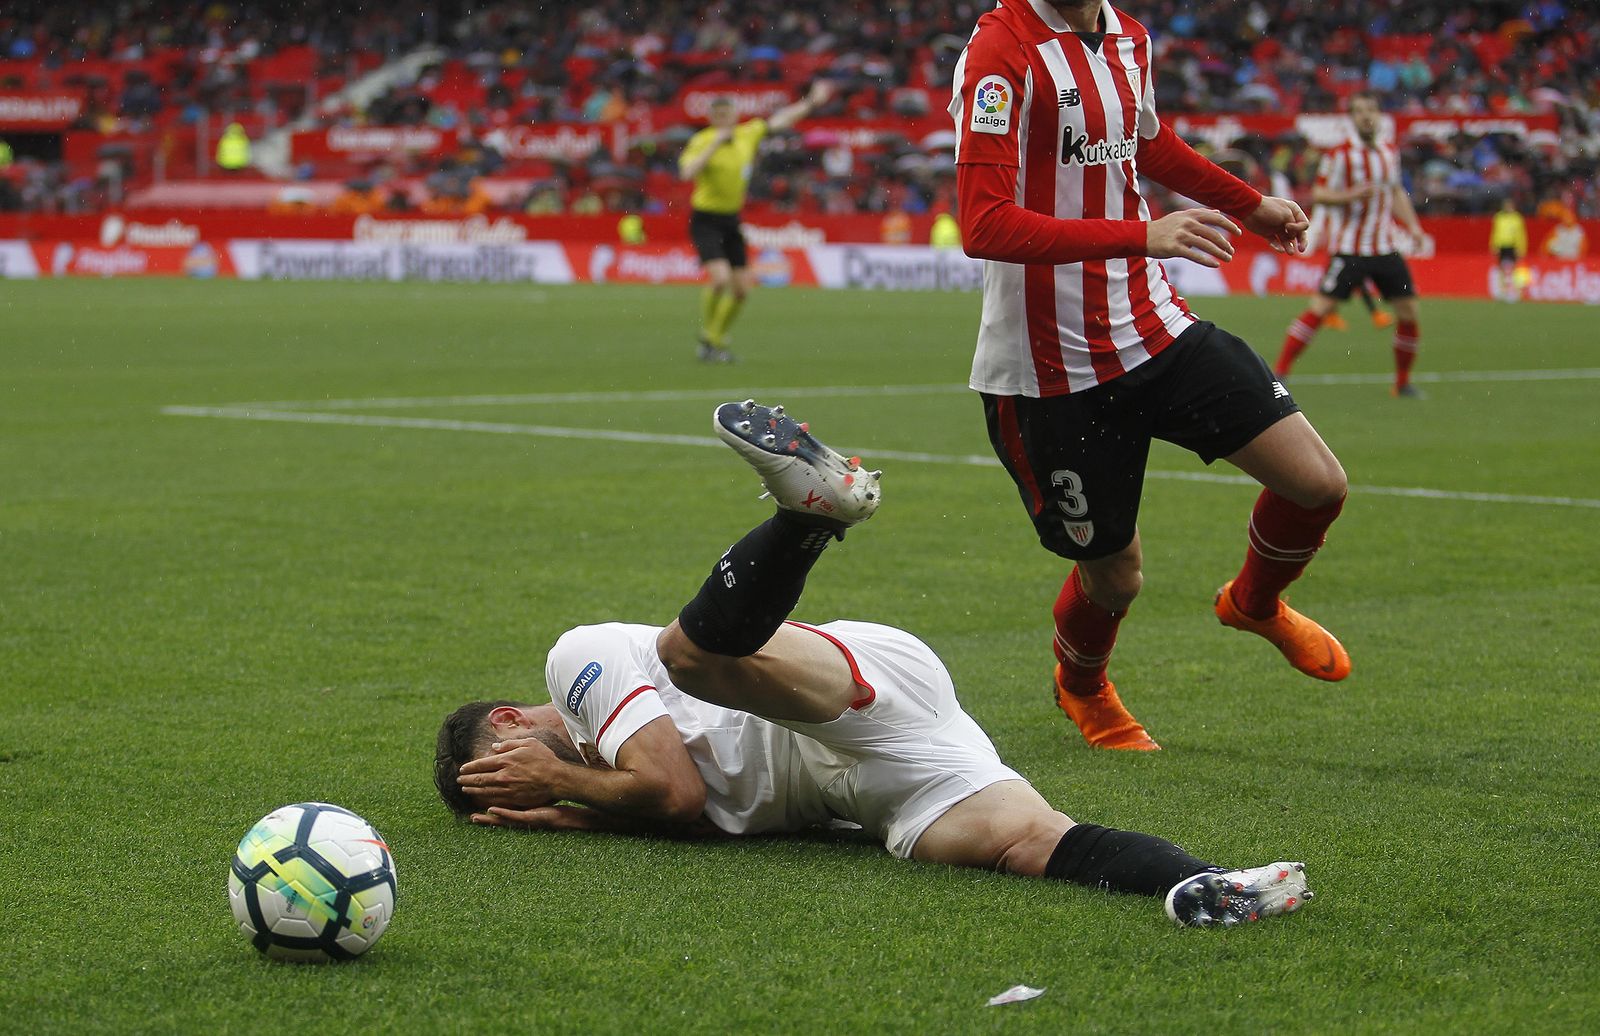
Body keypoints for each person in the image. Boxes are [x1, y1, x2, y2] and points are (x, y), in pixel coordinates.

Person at [436, 401, 1314, 928]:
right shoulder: (609, 784)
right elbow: (692, 815)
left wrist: (571, 784)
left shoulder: (578, 664)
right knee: (1024, 842)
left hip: (836, 689)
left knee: (691, 656)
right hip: (863, 779)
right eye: (508, 794)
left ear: (512, 723)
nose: (524, 788)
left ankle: (809, 516)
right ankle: (1209, 886)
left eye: (503, 772)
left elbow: (677, 788)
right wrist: (579, 812)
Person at [947, 0, 1350, 751]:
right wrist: (1144, 232)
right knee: (1117, 577)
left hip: (1153, 325)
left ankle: (1254, 603)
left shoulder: (1129, 36)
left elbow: (1147, 143)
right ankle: (1083, 684)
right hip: (1050, 368)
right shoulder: (1001, 52)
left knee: (1318, 483)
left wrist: (1252, 204)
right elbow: (984, 224)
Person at [1276, 92, 1427, 397]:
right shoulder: (1339, 156)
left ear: (1379, 115)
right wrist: (1351, 195)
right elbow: (1319, 194)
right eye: (1360, 112)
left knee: (1409, 312)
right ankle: (1280, 373)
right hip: (1349, 249)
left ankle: (1402, 383)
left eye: (1371, 110)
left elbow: (1395, 192)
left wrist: (1412, 225)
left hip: (1384, 247)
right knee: (1320, 308)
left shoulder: (1388, 152)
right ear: (1352, 118)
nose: (1367, 116)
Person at [678, 83, 833, 363]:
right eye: (719, 116)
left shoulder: (747, 134)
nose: (725, 120)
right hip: (705, 219)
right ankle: (710, 337)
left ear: (735, 115)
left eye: (728, 115)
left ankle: (713, 341)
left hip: (731, 218)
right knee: (721, 278)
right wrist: (714, 143)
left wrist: (810, 102)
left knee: (741, 290)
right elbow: (687, 173)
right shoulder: (702, 141)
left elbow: (780, 120)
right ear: (712, 118)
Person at [1306, 202, 1393, 331]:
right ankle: (1331, 315)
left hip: (1343, 248)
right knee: (1330, 285)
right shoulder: (1329, 207)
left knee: (1353, 281)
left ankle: (1372, 314)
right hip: (1339, 249)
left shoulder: (1334, 206)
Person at [1490, 197, 1529, 302]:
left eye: (1510, 205)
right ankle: (1503, 291)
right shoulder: (1499, 217)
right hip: (1502, 245)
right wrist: (1494, 245)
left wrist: (1521, 248)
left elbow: (1521, 234)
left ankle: (1515, 292)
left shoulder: (1517, 218)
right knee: (1502, 269)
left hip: (1513, 246)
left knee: (1514, 269)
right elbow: (1495, 232)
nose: (1508, 207)